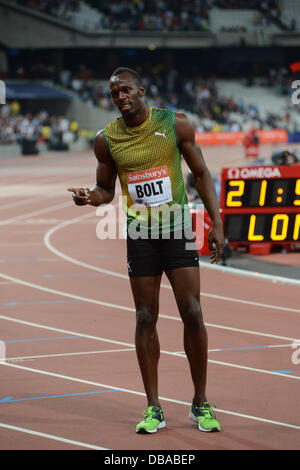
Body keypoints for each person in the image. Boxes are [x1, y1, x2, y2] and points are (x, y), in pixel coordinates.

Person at [67, 67, 224, 434]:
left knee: (193, 311)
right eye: (113, 94)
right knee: (144, 317)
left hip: (178, 227)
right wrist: (90, 198)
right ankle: (153, 406)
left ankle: (201, 401)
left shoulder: (175, 124)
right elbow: (105, 189)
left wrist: (216, 223)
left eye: (125, 90)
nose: (120, 97)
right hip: (140, 233)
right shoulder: (106, 140)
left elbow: (200, 173)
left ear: (141, 90)